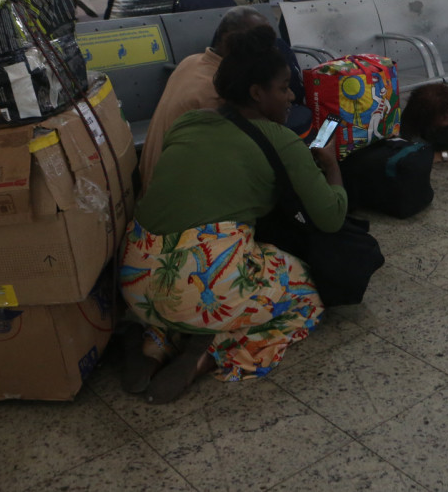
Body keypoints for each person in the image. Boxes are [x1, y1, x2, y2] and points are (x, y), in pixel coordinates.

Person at [120, 27, 341, 403]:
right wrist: (332, 165)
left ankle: (154, 341)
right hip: (197, 289)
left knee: (205, 268)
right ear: (257, 93)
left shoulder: (188, 123)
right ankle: (211, 351)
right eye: (284, 87)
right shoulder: (281, 139)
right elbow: (332, 216)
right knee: (305, 292)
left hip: (134, 278)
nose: (291, 96)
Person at [139, 6, 305, 188]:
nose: (267, 54)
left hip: (151, 189)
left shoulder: (191, 61)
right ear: (231, 43)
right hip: (176, 195)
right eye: (259, 45)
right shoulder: (220, 94)